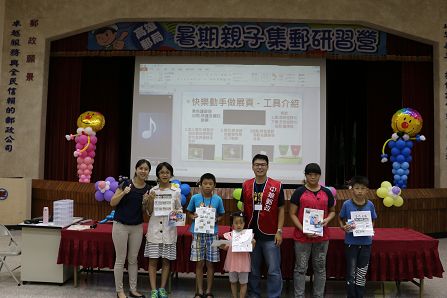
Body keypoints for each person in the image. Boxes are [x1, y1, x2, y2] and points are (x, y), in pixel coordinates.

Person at [289, 163, 336, 298]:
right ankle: (299, 296)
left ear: (319, 176)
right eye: (310, 174)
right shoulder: (299, 192)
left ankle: (318, 295)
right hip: (302, 237)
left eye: (315, 174)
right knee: (300, 269)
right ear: (306, 175)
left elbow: (333, 211)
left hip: (322, 237)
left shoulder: (326, 192)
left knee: (320, 269)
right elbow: (292, 213)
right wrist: (303, 229)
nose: (313, 177)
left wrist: (327, 219)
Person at [242, 154, 285, 298]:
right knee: (253, 270)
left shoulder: (276, 186)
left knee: (273, 270)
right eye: (257, 164)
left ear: (267, 166)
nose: (260, 167)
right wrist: (243, 233)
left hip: (270, 234)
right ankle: (254, 295)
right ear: (252, 166)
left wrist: (279, 231)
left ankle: (274, 296)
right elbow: (244, 209)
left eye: (263, 164)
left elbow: (281, 210)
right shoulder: (246, 185)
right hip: (251, 235)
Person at [111, 159, 151, 298]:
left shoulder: (148, 189)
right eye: (141, 168)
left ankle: (133, 290)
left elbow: (145, 211)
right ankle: (119, 291)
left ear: (148, 172)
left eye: (146, 169)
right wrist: (123, 193)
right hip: (120, 226)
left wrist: (146, 202)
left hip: (137, 227)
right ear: (136, 169)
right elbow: (112, 202)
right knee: (120, 259)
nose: (143, 171)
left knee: (133, 259)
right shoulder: (126, 183)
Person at [144, 162, 183, 298]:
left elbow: (179, 210)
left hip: (169, 231)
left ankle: (162, 288)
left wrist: (175, 214)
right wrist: (149, 200)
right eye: (162, 172)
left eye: (167, 172)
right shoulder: (153, 191)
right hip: (154, 231)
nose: (164, 175)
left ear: (171, 174)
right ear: (158, 175)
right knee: (153, 261)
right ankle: (154, 290)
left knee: (166, 261)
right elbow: (148, 212)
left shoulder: (176, 192)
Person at [187, 173, 225, 298]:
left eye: (210, 184)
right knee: (199, 263)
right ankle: (199, 291)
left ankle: (209, 291)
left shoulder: (218, 199)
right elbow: (189, 212)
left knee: (210, 263)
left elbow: (221, 214)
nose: (208, 186)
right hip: (197, 233)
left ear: (214, 185)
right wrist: (193, 216)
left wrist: (216, 220)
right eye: (205, 183)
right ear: (200, 184)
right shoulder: (195, 198)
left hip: (212, 234)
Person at [338, 176, 377, 298]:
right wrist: (343, 227)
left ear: (367, 190)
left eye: (362, 188)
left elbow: (373, 219)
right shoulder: (346, 204)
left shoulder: (370, 205)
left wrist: (370, 227)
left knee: (362, 272)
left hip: (366, 243)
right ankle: (351, 295)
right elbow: (340, 218)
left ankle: (360, 295)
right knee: (351, 272)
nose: (360, 191)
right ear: (352, 190)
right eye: (357, 188)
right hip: (351, 242)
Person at [220, 211, 255, 298]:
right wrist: (222, 246)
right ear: (232, 224)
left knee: (243, 283)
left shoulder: (248, 235)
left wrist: (253, 243)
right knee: (233, 282)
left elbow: (252, 248)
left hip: (243, 263)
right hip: (232, 263)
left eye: (241, 223)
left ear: (244, 223)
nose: (239, 225)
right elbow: (226, 247)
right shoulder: (230, 235)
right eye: (236, 223)